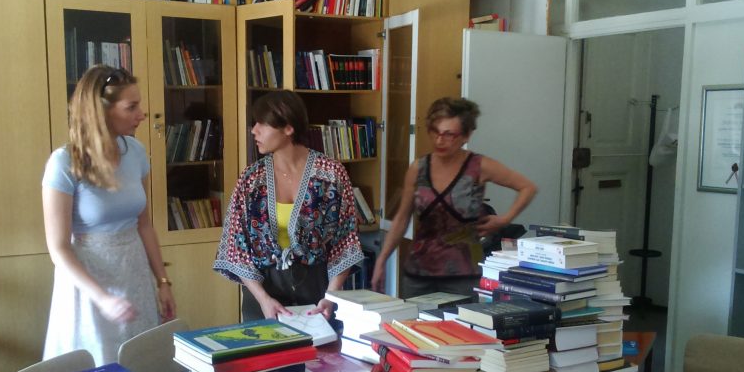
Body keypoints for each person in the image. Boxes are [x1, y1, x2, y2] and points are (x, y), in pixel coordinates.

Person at [41, 65, 176, 366]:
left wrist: (163, 282)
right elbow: (59, 248)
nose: (142, 114)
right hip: (89, 280)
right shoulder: (63, 163)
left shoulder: (136, 152)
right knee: (97, 369)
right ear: (101, 111)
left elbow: (144, 224)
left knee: (139, 364)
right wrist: (102, 297)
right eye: (131, 107)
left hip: (133, 269)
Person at [214, 90, 364, 321]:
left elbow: (345, 242)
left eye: (263, 123)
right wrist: (263, 299)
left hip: (317, 291)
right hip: (262, 292)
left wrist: (331, 296)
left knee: (317, 345)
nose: (254, 130)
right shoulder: (251, 179)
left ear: (288, 128)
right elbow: (236, 247)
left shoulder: (331, 174)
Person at [371, 97, 537, 298]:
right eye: (435, 132)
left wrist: (504, 220)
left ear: (466, 136)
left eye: (449, 134)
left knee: (460, 318)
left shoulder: (479, 166)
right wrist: (381, 261)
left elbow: (527, 187)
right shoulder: (418, 169)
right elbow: (401, 219)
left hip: (463, 275)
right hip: (419, 274)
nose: (440, 140)